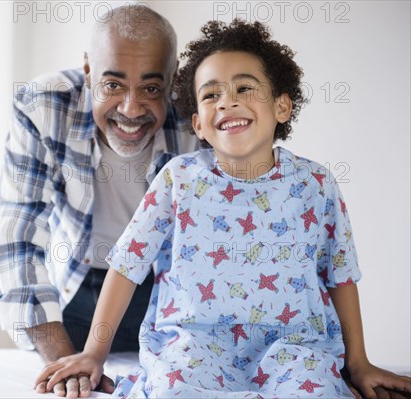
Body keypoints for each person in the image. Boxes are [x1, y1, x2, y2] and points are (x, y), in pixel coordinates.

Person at [35, 20, 411, 398]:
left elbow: (340, 274)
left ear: (282, 106)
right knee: (173, 390)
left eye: (244, 88)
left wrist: (358, 363)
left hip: (294, 346)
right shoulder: (178, 180)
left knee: (315, 391)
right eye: (211, 94)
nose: (227, 101)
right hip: (196, 344)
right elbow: (127, 265)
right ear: (197, 123)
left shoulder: (315, 184)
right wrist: (94, 351)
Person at [0, 4, 198, 397]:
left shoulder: (197, 117)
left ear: (172, 82)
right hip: (82, 286)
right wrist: (66, 365)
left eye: (151, 88)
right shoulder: (44, 106)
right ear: (88, 71)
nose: (131, 109)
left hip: (167, 292)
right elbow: (16, 240)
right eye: (113, 85)